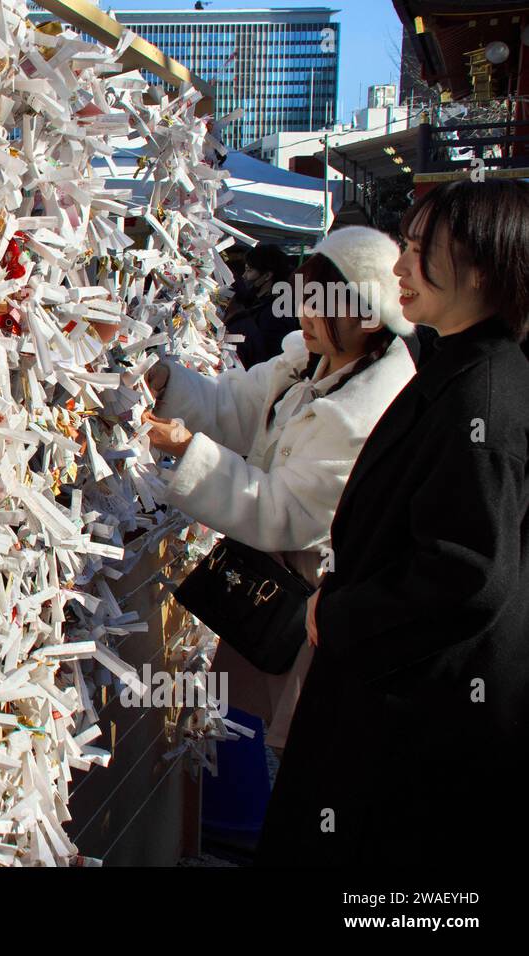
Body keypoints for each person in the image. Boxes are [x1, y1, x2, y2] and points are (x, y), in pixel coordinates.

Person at [257, 179, 529, 867]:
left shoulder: (484, 393)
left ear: (482, 263)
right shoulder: (460, 367)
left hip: (413, 715)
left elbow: (467, 571)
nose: (400, 267)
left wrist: (339, 613)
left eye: (418, 249)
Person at [143, 227, 417, 751]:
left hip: (312, 610)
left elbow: (283, 512)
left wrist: (186, 448)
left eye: (320, 305)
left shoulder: (367, 413)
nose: (303, 315)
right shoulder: (306, 363)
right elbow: (234, 404)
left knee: (303, 748)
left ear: (365, 314)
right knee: (276, 737)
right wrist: (164, 380)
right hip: (272, 593)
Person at [221, 243, 297, 368]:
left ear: (267, 275)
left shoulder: (278, 312)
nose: (244, 276)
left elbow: (269, 358)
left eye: (249, 270)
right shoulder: (256, 300)